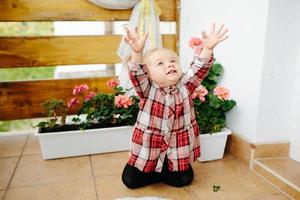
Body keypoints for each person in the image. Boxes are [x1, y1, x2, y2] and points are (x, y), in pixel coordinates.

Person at [121, 23, 228, 189]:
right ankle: (155, 169)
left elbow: (199, 68)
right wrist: (137, 52)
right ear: (148, 74)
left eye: (173, 61)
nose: (169, 65)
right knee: (130, 181)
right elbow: (136, 73)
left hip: (178, 145)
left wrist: (207, 49)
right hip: (150, 146)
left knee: (183, 180)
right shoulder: (147, 89)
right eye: (160, 63)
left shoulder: (186, 84)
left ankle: (167, 169)